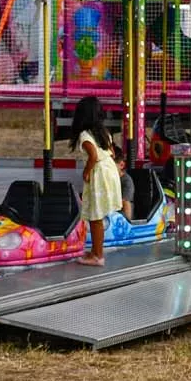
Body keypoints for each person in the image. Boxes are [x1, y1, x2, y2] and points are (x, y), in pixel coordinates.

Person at [69, 96, 121, 266]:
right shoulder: (103, 132)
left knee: (95, 216)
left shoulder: (85, 135)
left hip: (98, 172)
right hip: (108, 170)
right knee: (95, 215)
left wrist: (86, 171)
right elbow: (111, 152)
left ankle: (98, 256)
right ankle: (95, 251)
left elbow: (93, 155)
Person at [111, 143, 135, 222]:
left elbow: (126, 204)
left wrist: (126, 225)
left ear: (121, 165)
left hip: (120, 218)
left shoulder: (126, 181)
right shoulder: (107, 180)